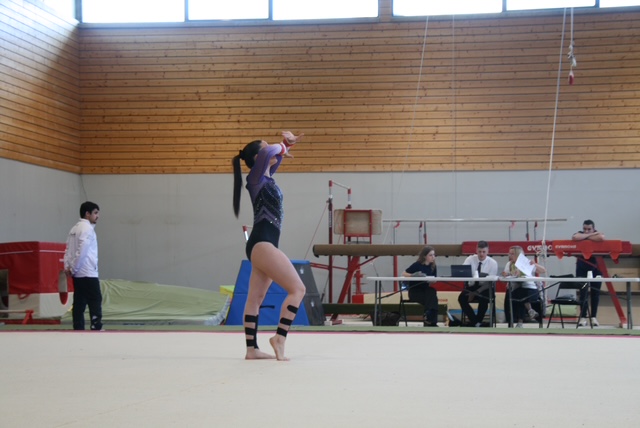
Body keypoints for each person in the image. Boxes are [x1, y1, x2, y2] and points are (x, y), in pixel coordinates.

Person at [232, 131, 306, 361]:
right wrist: (282, 145)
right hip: (263, 243)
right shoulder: (254, 178)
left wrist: (285, 146)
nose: (270, 149)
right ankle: (279, 338)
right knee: (298, 289)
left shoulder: (266, 177)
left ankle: (251, 349)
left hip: (262, 244)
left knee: (255, 298)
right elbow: (272, 152)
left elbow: (275, 155)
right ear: (258, 158)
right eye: (265, 147)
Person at [63, 201, 103, 331]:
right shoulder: (87, 229)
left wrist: (67, 267)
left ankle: (78, 327)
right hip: (87, 272)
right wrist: (73, 268)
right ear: (87, 214)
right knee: (95, 299)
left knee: (79, 302)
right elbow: (82, 251)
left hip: (78, 273)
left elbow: (68, 250)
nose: (98, 216)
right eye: (95, 213)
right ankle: (96, 326)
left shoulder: (74, 229)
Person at [502, 246, 546, 328]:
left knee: (521, 295)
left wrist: (534, 264)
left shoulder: (526, 263)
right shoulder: (509, 264)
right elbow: (505, 279)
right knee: (519, 294)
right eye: (509, 253)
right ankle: (530, 311)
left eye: (512, 254)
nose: (510, 255)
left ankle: (520, 322)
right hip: (517, 289)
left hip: (530, 289)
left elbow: (543, 270)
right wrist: (507, 275)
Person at [458, 240, 499, 327]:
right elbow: (463, 272)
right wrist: (472, 291)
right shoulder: (470, 259)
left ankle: (476, 322)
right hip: (472, 286)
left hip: (485, 287)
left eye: (484, 252)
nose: (481, 254)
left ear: (488, 251)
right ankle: (476, 322)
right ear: (476, 250)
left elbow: (490, 283)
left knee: (484, 298)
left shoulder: (493, 263)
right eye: (479, 251)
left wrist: (476, 292)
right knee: (461, 298)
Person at [572, 219, 605, 326]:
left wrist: (586, 236)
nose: (586, 231)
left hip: (596, 267)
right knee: (583, 293)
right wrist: (590, 235)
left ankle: (593, 317)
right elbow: (575, 237)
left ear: (594, 229)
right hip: (582, 267)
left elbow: (601, 237)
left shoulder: (598, 234)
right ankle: (583, 317)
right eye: (584, 229)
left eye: (589, 229)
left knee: (595, 293)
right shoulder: (580, 234)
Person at [402, 246, 439, 327]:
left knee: (432, 291)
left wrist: (432, 281)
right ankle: (431, 321)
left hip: (426, 291)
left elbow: (434, 279)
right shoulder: (417, 265)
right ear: (424, 256)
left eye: (434, 255)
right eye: (430, 255)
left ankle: (428, 317)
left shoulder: (433, 267)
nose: (433, 257)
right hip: (415, 291)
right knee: (433, 299)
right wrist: (413, 275)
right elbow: (404, 273)